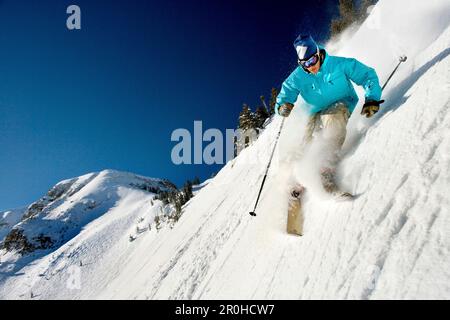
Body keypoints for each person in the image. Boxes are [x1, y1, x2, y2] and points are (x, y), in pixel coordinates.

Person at [275, 34, 384, 199]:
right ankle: (294, 178)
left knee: (332, 125)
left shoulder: (338, 64)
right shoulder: (297, 77)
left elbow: (367, 75)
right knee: (303, 140)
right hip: (313, 112)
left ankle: (326, 172)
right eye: (305, 64)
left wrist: (372, 98)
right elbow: (285, 94)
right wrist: (283, 105)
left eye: (312, 61)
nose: (311, 66)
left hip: (340, 103)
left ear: (318, 53)